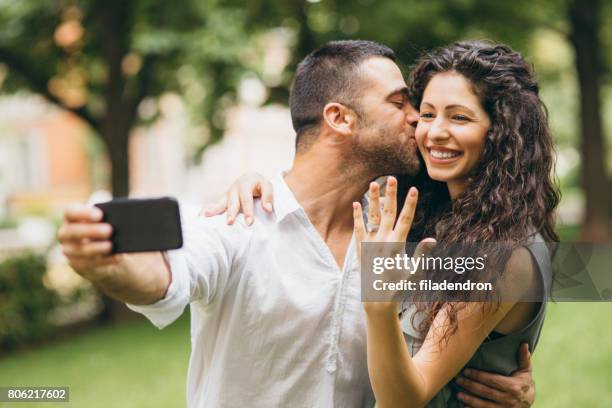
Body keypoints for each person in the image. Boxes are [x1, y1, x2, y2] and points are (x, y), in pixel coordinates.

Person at [58, 40, 535, 408]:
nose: (420, 123)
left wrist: (507, 373)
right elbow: (163, 278)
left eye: (438, 113)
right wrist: (106, 265)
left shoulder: (406, 229)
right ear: (339, 118)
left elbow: (514, 285)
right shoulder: (239, 220)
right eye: (403, 105)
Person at [205, 41, 555, 407]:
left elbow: (404, 399)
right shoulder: (428, 216)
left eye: (459, 117)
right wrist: (257, 183)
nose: (433, 132)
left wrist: (379, 302)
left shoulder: (502, 251)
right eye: (428, 113)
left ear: (501, 133)